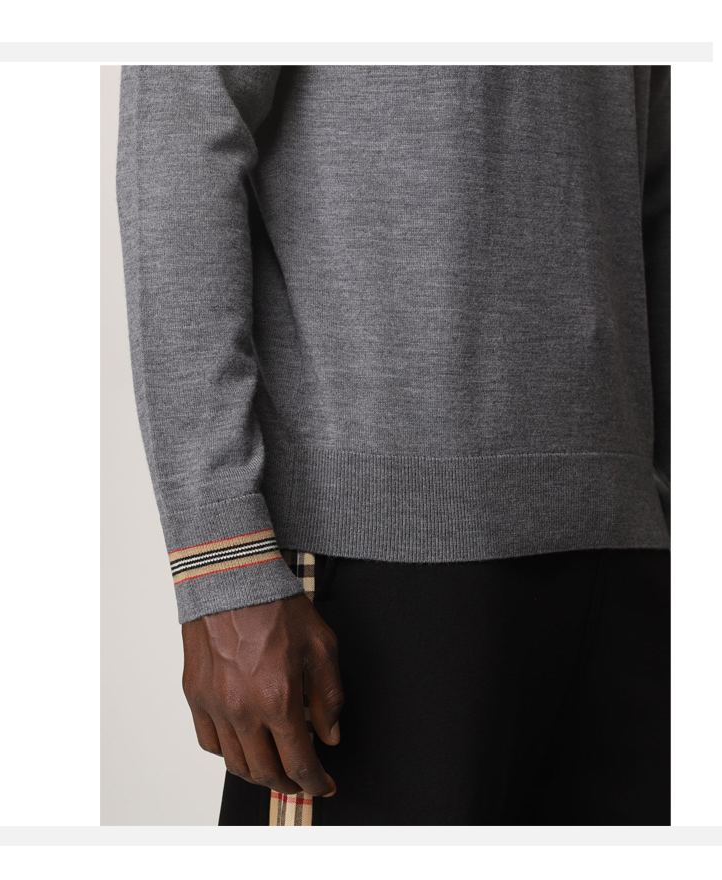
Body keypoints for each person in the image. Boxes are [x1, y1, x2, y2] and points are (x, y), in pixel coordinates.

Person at [116, 64, 670, 826]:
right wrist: (223, 563)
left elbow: (658, 171)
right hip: (378, 570)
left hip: (631, 554)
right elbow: (181, 124)